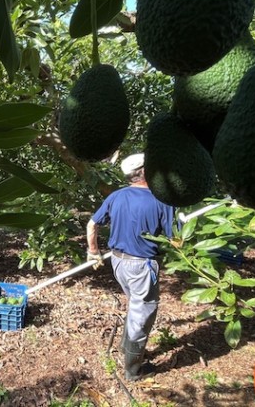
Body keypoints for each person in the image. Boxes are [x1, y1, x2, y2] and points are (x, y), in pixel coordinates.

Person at [86, 152, 174, 381]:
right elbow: (177, 239)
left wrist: (93, 252)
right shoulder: (162, 200)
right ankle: (133, 371)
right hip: (141, 265)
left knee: (135, 306)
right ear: (145, 171)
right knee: (142, 312)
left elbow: (92, 224)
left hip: (118, 262)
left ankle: (127, 348)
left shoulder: (116, 196)